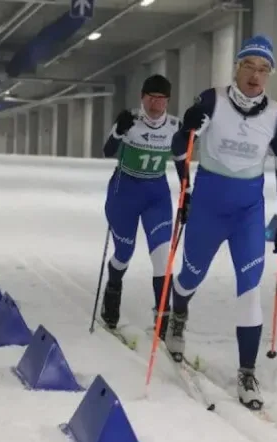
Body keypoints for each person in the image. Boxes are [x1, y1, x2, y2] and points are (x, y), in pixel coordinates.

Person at [166, 35, 277, 410]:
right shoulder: (213, 100)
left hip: (247, 213)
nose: (256, 75)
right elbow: (178, 150)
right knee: (189, 277)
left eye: (264, 69)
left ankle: (247, 372)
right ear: (237, 68)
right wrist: (186, 129)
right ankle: (178, 315)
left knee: (249, 289)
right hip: (209, 207)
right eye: (249, 66)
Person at [99, 74, 187, 337]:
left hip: (156, 196)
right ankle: (113, 288)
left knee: (162, 259)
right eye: (151, 98)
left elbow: (181, 161)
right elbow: (107, 151)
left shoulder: (175, 127)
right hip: (124, 193)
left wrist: (188, 192)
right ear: (142, 97)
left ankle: (162, 319)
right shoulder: (130, 120)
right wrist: (118, 131)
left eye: (161, 99)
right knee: (124, 253)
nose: (155, 104)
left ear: (168, 101)